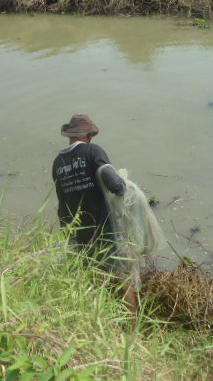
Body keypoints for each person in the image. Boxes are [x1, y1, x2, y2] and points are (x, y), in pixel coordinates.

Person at [52, 114, 138, 312]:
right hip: (105, 229)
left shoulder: (58, 163)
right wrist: (126, 188)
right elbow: (116, 185)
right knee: (123, 277)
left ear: (70, 135)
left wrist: (68, 235)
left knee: (94, 277)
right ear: (89, 134)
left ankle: (99, 319)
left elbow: (62, 205)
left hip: (80, 234)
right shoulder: (93, 151)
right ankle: (133, 328)